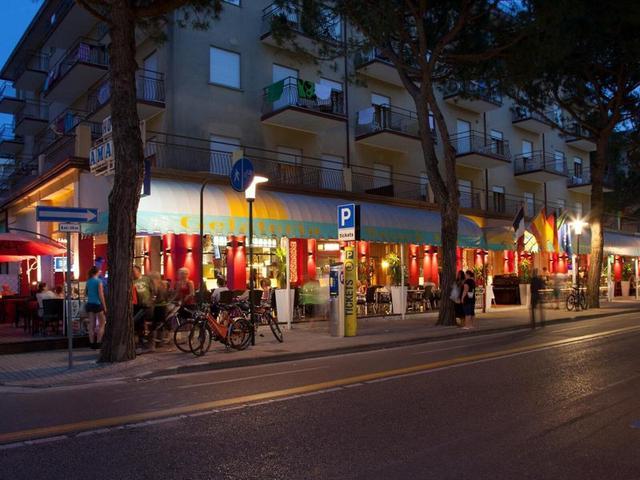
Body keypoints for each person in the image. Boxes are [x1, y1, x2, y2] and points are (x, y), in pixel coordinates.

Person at [132, 265, 155, 350]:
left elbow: (153, 290)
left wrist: (152, 300)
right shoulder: (132, 281)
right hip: (138, 306)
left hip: (148, 305)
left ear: (138, 271)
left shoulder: (146, 279)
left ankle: (150, 343)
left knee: (148, 323)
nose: (132, 273)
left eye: (133, 271)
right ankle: (141, 341)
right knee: (139, 323)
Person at [85, 266, 107, 349]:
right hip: (97, 304)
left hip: (89, 304)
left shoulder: (88, 281)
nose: (100, 272)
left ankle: (91, 343)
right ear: (97, 272)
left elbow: (86, 293)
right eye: (99, 271)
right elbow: (101, 295)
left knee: (92, 325)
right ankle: (98, 342)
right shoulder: (99, 281)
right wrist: (104, 306)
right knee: (102, 323)